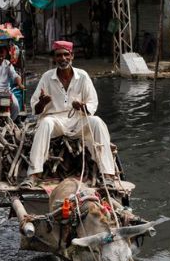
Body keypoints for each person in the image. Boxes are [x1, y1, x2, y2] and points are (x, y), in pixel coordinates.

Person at [20, 40, 116, 189]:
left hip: (78, 120)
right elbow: (36, 109)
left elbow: (93, 104)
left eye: (66, 54)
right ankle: (32, 175)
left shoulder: (83, 76)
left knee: (97, 121)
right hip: (55, 120)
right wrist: (43, 103)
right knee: (45, 123)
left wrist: (82, 107)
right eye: (59, 55)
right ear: (54, 58)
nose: (63, 58)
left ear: (72, 56)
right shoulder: (47, 77)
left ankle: (108, 176)